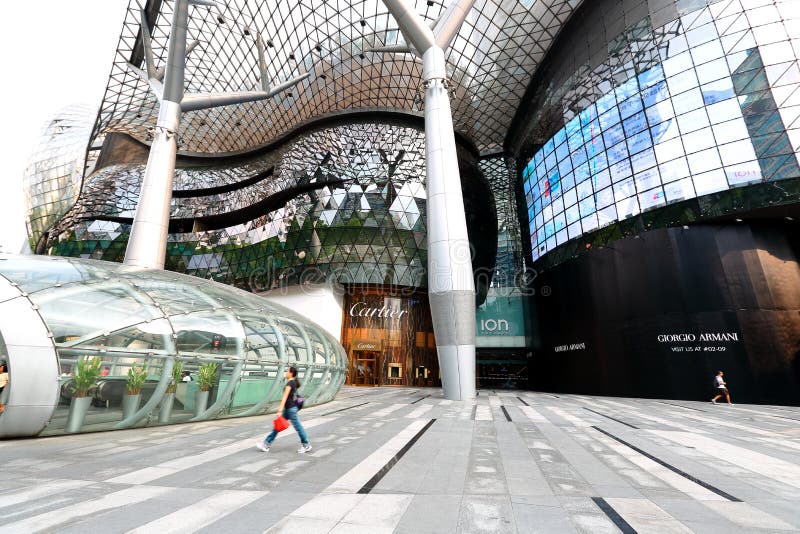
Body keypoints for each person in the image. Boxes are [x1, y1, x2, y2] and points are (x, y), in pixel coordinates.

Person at [257, 366, 311, 453]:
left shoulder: (290, 384)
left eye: (287, 371)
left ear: (291, 373)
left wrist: (279, 411)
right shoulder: (293, 382)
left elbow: (284, 398)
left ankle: (306, 444)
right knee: (277, 427)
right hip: (290, 409)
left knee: (298, 427)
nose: (286, 373)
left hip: (290, 409)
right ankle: (266, 444)